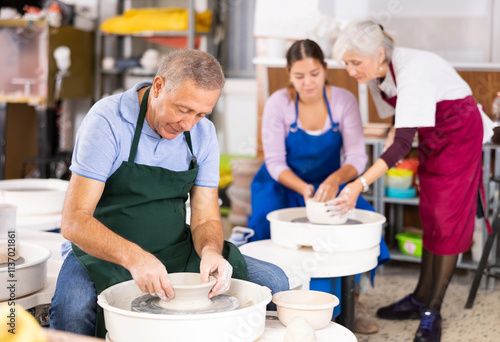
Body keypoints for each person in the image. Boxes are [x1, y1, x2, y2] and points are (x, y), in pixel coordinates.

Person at [49, 49, 289, 338]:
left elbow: (205, 218)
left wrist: (211, 252)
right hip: (103, 253)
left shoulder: (203, 134)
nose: (188, 124)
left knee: (274, 281)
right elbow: (74, 221)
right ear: (159, 87)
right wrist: (136, 258)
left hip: (175, 249)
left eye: (200, 114)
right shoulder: (108, 120)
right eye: (183, 109)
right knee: (72, 309)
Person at [331, 20, 489, 342]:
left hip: (458, 136)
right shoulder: (377, 74)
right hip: (432, 137)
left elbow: (402, 144)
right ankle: (419, 297)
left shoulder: (413, 71)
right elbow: (400, 122)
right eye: (345, 63)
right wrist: (393, 129)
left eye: (354, 62)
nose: (349, 70)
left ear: (378, 54)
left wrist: (359, 183)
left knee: (447, 223)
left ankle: (433, 310)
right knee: (431, 216)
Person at [248, 39, 389, 334]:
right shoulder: (278, 104)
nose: (307, 82)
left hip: (331, 181)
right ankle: (277, 303)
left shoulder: (343, 101)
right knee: (267, 229)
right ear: (289, 73)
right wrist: (304, 189)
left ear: (325, 69)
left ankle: (353, 301)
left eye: (314, 74)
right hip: (283, 182)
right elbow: (274, 162)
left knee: (357, 229)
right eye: (299, 76)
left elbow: (356, 158)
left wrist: (336, 180)